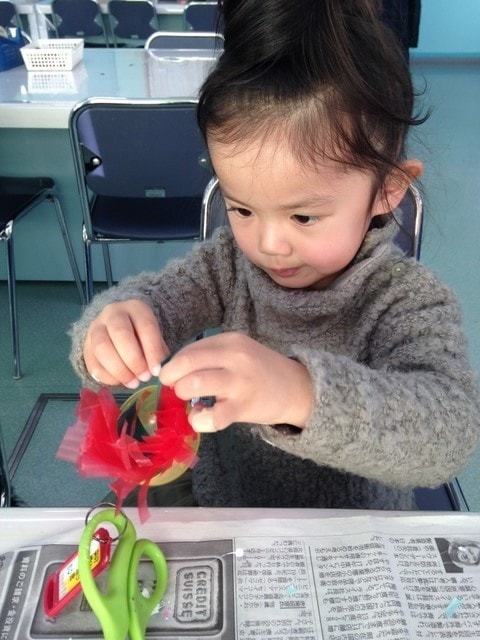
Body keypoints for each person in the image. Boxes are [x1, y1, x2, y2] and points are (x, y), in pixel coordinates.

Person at [70, 0, 480, 510]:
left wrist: (298, 391)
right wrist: (111, 331)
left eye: (303, 217)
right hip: (233, 513)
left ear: (386, 192)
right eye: (242, 208)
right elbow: (154, 299)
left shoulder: (406, 299)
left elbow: (448, 434)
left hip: (354, 541)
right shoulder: (229, 266)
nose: (268, 245)